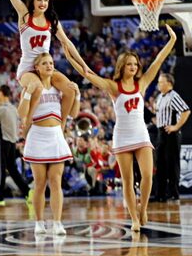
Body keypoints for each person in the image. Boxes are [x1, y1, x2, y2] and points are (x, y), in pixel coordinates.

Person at [65, 25, 178, 231]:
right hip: (122, 136)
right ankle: (134, 218)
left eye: (135, 64)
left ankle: (142, 208)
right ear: (122, 66)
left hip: (141, 133)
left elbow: (158, 61)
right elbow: (87, 73)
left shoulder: (142, 83)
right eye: (129, 64)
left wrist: (172, 41)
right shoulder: (113, 87)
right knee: (127, 180)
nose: (133, 67)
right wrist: (70, 57)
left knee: (147, 175)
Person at [0, 0, 87, 124]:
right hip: (28, 68)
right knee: (38, 88)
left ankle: (61, 127)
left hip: (46, 66)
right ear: (33, 1)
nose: (43, 3)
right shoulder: (25, 16)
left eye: (46, 0)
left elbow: (67, 43)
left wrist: (83, 64)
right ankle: (29, 123)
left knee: (69, 89)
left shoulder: (51, 22)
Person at [19, 53, 80, 236]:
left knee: (56, 181)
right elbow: (21, 112)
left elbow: (74, 114)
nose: (49, 66)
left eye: (51, 63)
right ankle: (38, 222)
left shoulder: (58, 89)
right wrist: (28, 92)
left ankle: (57, 222)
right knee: (39, 183)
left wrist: (77, 95)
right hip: (37, 135)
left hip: (55, 137)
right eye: (45, 63)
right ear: (37, 67)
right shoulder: (32, 87)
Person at [0, 84, 32, 206]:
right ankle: (27, 191)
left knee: (0, 170)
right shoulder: (13, 108)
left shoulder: (1, 108)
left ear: (0, 93)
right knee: (12, 170)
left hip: (2, 141)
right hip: (12, 142)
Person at [153, 73, 191, 202]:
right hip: (161, 132)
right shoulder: (159, 97)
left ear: (169, 83)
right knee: (160, 164)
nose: (158, 84)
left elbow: (186, 110)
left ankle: (174, 193)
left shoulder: (174, 96)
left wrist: (176, 127)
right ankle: (160, 193)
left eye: (161, 82)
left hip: (171, 134)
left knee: (172, 164)